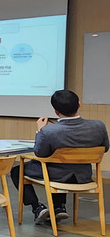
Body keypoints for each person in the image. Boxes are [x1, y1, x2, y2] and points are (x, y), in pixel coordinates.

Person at [11, 89, 109, 224]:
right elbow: (105, 148)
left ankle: (37, 208)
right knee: (60, 166)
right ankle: (59, 207)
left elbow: (40, 153)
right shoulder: (99, 126)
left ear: (56, 112)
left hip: (56, 176)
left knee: (17, 171)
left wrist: (40, 130)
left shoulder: (48, 131)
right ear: (79, 104)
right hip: (83, 177)